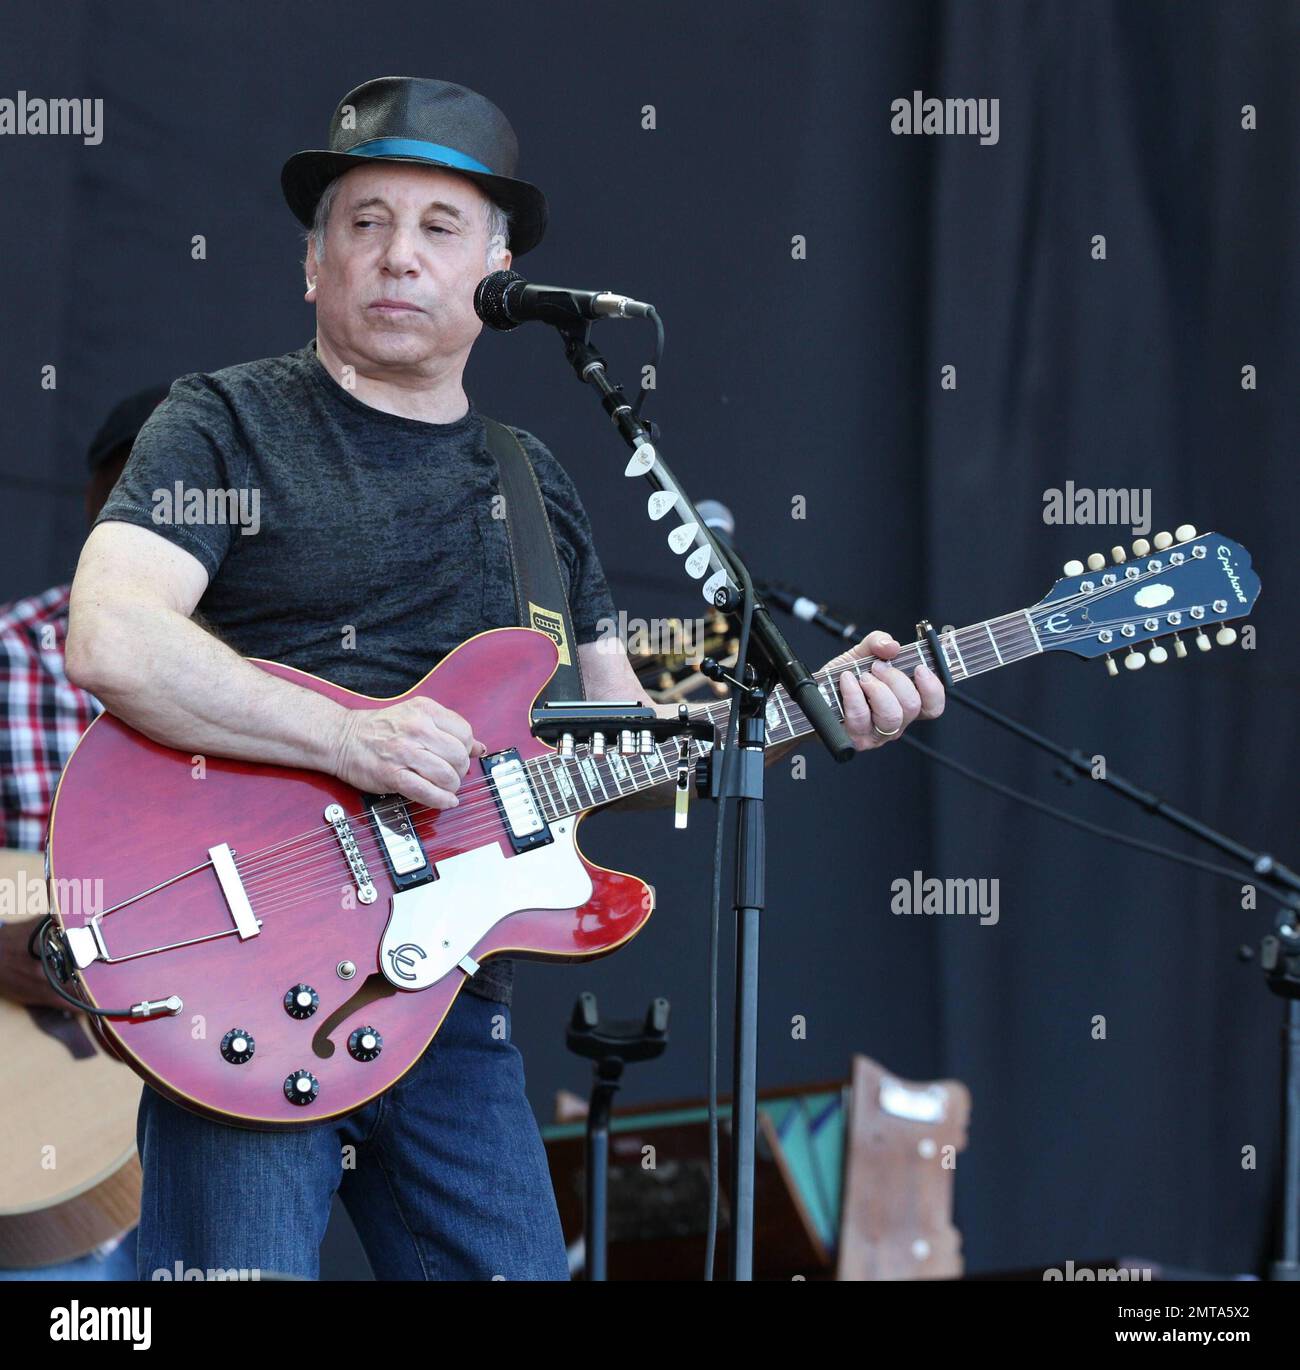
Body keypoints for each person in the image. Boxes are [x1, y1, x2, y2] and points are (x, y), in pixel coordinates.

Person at [63, 76, 944, 1282]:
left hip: (457, 1011)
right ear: (309, 265)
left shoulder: (533, 483)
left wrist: (812, 712)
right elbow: (113, 635)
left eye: (437, 228)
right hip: (250, 974)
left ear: (497, 270)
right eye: (362, 222)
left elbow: (616, 747)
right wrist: (348, 739)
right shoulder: (220, 423)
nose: (395, 256)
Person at [0, 384, 167, 1281]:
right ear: (98, 504)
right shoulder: (7, 662)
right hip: (50, 1136)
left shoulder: (306, 693)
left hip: (247, 1123)